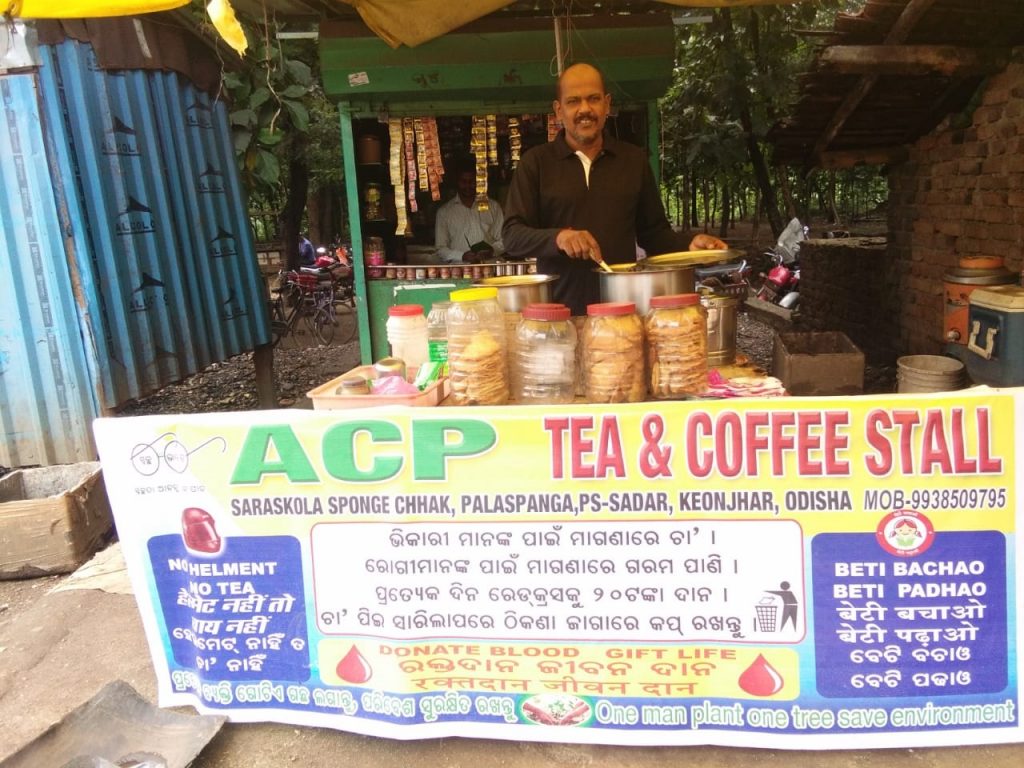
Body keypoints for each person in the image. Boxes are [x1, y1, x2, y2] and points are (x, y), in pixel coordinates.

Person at [502, 62, 727, 315]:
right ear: (558, 110)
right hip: (559, 317)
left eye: (593, 99)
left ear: (607, 104)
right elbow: (512, 235)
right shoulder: (537, 163)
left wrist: (689, 245)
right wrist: (559, 238)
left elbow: (653, 234)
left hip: (622, 313)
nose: (585, 109)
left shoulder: (632, 160)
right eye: (574, 101)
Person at [435, 159, 505, 264]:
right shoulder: (444, 212)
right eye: (463, 182)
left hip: (489, 268)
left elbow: (504, 240)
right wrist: (462, 256)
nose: (468, 186)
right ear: (457, 182)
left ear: (478, 182)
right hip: (460, 271)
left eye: (472, 182)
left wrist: (492, 250)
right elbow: (440, 249)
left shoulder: (493, 207)